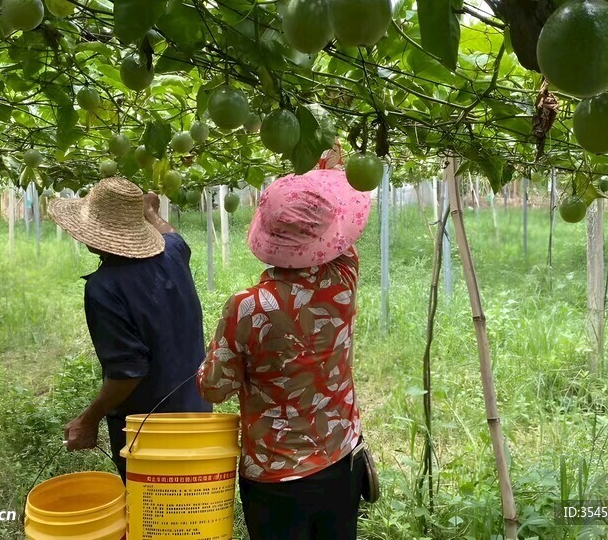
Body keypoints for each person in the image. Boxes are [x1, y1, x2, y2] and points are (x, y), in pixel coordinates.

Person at [197, 158, 372, 540]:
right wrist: (326, 169)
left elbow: (214, 387)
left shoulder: (247, 307)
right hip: (341, 456)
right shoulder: (343, 280)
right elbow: (342, 240)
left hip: (275, 474)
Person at [49, 177, 212, 480]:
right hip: (196, 412)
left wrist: (89, 418)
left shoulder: (104, 288)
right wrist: (151, 212)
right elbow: (174, 236)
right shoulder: (173, 256)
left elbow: (128, 372)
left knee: (151, 514)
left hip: (148, 429)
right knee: (192, 509)